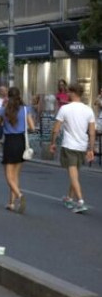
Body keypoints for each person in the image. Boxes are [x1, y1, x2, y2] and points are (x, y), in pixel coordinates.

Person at [50, 83, 96, 214]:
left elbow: (56, 128)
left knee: (73, 174)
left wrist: (52, 143)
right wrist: (91, 149)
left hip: (69, 145)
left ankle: (80, 201)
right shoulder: (89, 110)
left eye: (68, 92)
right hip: (82, 145)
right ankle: (69, 197)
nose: (67, 94)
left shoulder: (65, 109)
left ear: (72, 93)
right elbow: (92, 132)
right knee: (74, 173)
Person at [0, 87, 35, 213]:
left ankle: (19, 195)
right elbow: (32, 127)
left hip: (9, 141)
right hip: (21, 141)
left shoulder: (4, 110)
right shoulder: (25, 109)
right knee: (16, 174)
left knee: (8, 175)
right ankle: (11, 203)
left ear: (8, 96)